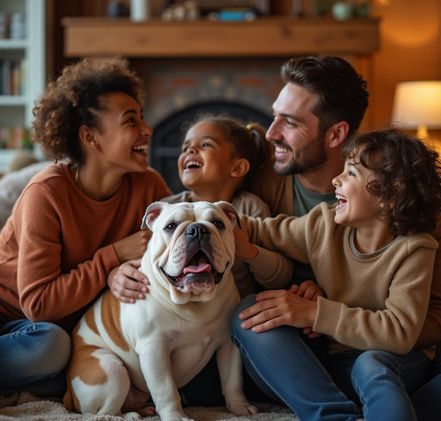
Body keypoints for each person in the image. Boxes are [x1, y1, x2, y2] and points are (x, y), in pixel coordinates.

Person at [238, 56, 441, 420]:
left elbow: (437, 317)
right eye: (275, 116)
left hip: (390, 354)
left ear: (336, 134)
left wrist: (325, 310)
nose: (271, 133)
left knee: (375, 366)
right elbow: (255, 231)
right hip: (318, 349)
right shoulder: (282, 195)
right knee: (250, 316)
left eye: (289, 122)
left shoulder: (419, 224)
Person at [0, 58, 171, 398]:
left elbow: (168, 256)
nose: (147, 129)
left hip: (80, 333)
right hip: (16, 324)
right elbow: (38, 303)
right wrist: (113, 257)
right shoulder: (46, 193)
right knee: (51, 346)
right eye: (131, 121)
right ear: (90, 137)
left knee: (76, 362)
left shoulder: (148, 185)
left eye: (142, 117)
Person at [161, 114, 292, 297]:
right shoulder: (167, 209)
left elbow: (280, 277)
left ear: (237, 168)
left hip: (234, 311)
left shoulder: (250, 209)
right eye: (185, 147)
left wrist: (248, 251)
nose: (190, 150)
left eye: (206, 144)